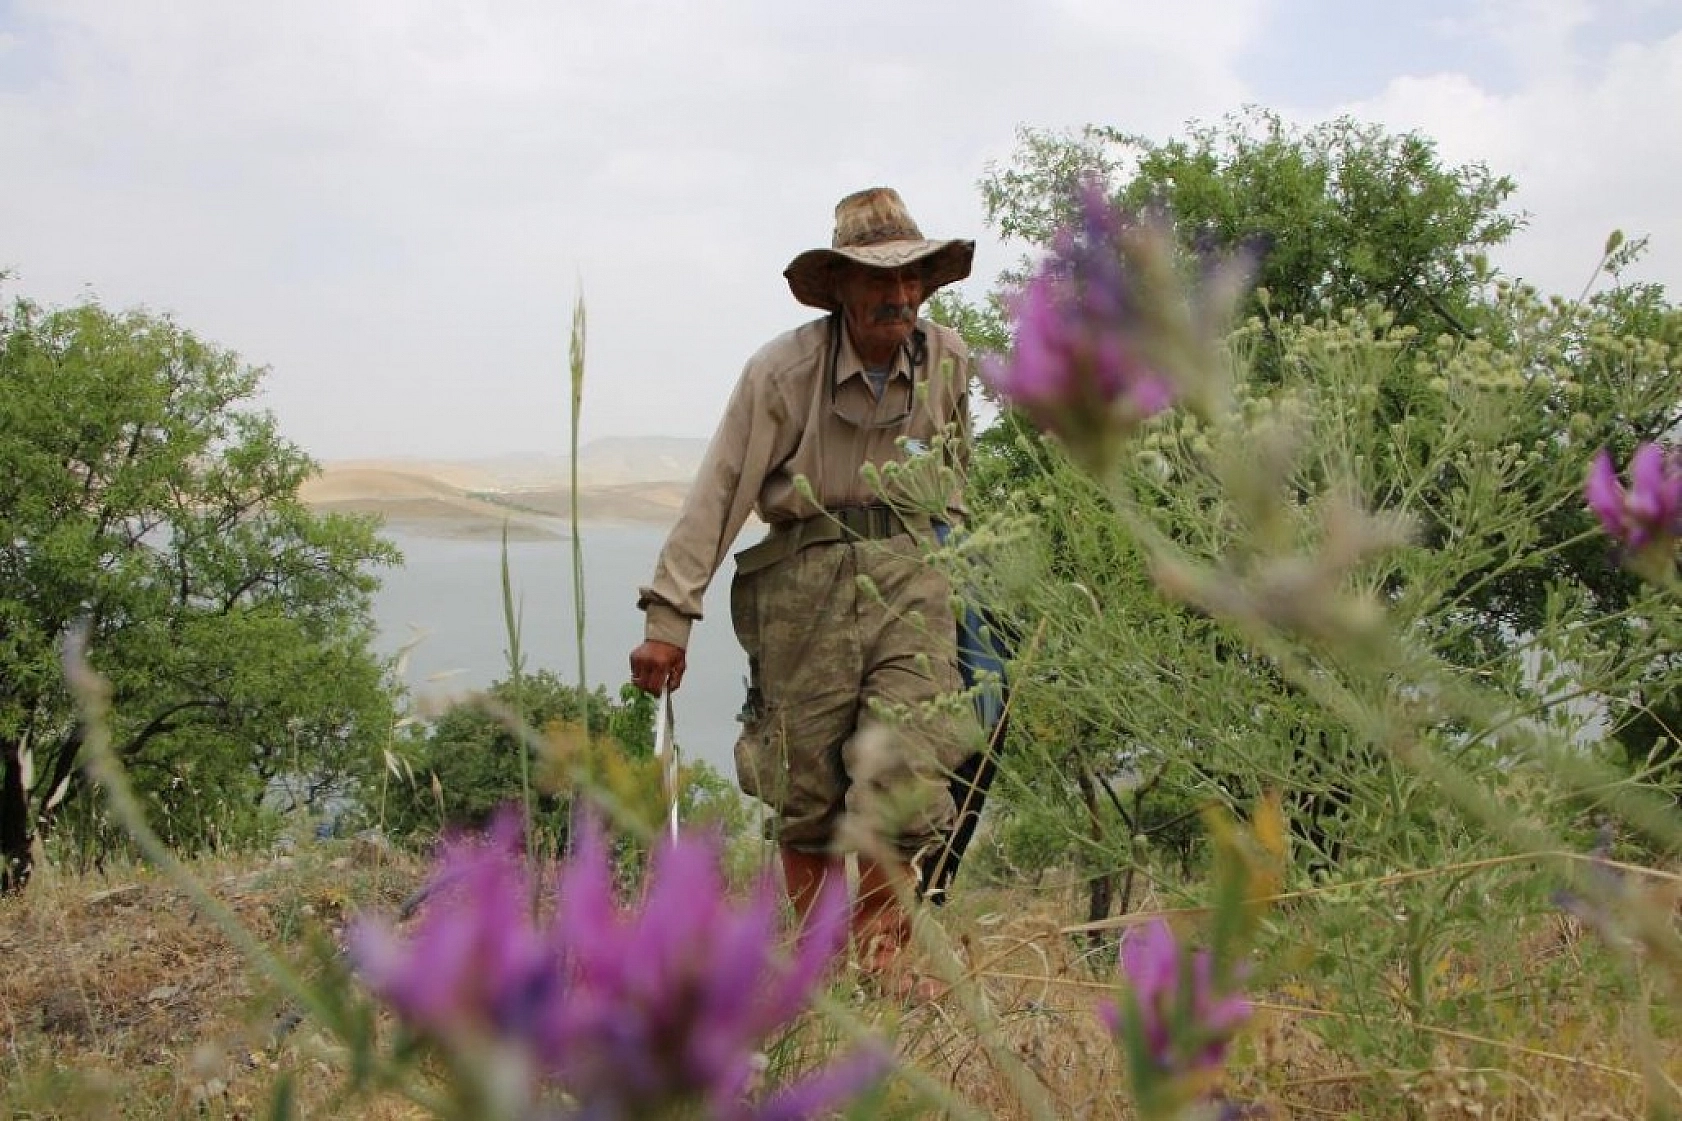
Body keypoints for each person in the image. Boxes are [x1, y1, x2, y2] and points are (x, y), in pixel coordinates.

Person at [629, 186, 979, 991]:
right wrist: (668, 619)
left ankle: (882, 971)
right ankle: (819, 985)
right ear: (841, 288)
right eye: (877, 281)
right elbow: (719, 491)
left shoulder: (951, 359)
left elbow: (957, 482)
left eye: (911, 279)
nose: (897, 296)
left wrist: (960, 578)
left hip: (913, 581)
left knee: (908, 772)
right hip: (802, 586)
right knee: (807, 793)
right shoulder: (781, 371)